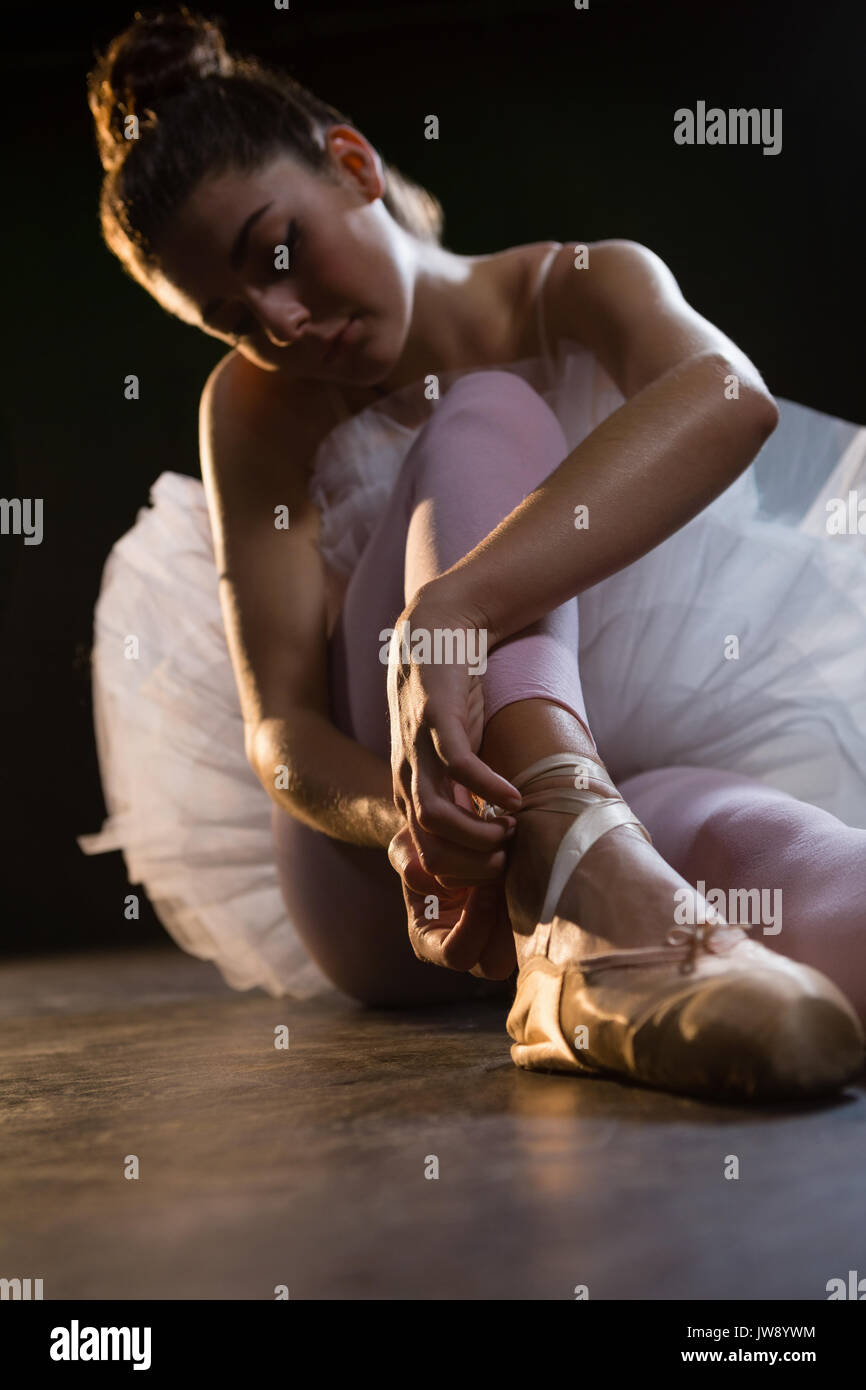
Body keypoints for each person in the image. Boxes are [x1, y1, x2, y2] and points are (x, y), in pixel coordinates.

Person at [80, 8, 866, 1102]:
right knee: (484, 410)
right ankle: (569, 862)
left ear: (351, 163)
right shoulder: (259, 410)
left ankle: (588, 941)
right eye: (232, 315)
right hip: (399, 882)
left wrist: (451, 606)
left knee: (805, 873)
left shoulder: (575, 285)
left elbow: (728, 398)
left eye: (277, 252)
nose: (282, 320)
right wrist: (410, 819)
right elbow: (282, 730)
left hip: (620, 797)